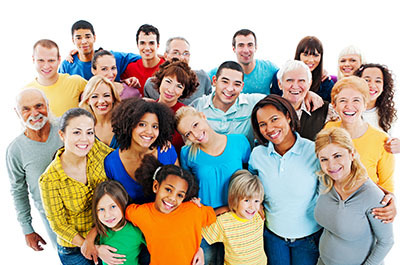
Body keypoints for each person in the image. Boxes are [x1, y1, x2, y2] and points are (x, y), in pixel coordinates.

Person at [249, 95, 322, 265]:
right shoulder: (257, 155)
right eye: (263, 124)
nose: (270, 128)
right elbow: (252, 184)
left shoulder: (313, 151)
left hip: (308, 238)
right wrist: (257, 202)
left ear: (288, 116)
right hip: (273, 237)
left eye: (275, 119)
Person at [176, 106, 251, 264]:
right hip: (207, 223)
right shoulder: (187, 153)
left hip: (237, 219)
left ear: (203, 116)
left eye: (195, 125)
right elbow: (188, 188)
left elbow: (251, 178)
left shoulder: (239, 141)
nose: (195, 134)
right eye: (188, 133)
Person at [39, 108, 113, 265]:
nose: (85, 139)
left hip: (106, 233)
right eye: (77, 133)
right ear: (62, 135)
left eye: (90, 132)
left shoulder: (96, 149)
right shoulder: (49, 180)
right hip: (74, 249)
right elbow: (58, 225)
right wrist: (91, 246)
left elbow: (120, 159)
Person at [314, 127, 394, 265]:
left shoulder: (372, 195)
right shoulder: (325, 182)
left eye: (337, 156)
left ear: (351, 154)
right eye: (324, 159)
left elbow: (386, 242)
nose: (331, 165)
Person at [126, 155, 216, 265]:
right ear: (156, 186)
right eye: (168, 189)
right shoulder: (141, 213)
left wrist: (198, 246)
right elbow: (127, 212)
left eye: (180, 195)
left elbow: (211, 215)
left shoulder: (193, 210)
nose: (172, 198)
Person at [6, 88, 63, 251]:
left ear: (48, 105)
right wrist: (27, 229)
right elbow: (18, 191)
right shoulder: (15, 150)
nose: (34, 113)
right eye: (26, 109)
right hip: (53, 222)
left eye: (39, 106)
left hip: (89, 212)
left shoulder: (67, 128)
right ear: (17, 112)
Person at [325, 76, 395, 192]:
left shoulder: (382, 140)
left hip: (367, 204)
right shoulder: (329, 129)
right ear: (334, 105)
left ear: (365, 104)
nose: (349, 106)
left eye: (356, 100)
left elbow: (387, 185)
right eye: (343, 100)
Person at [104, 97, 178, 203]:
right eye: (142, 124)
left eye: (155, 126)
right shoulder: (111, 163)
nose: (149, 131)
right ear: (129, 125)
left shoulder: (166, 151)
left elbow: (180, 187)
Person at [202, 169, 267, 265]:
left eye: (256, 201)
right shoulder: (223, 222)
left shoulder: (258, 216)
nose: (252, 207)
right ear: (234, 199)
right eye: (246, 201)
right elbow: (200, 235)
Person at [191, 61, 265, 145]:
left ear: (242, 87)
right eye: (225, 82)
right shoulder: (197, 106)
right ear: (215, 81)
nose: (230, 89)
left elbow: (279, 102)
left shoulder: (252, 102)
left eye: (237, 84)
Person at [59, 20, 141, 82]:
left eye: (87, 37)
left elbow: (142, 57)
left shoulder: (111, 58)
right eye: (78, 38)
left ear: (94, 38)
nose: (84, 41)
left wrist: (124, 82)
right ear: (73, 40)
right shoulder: (67, 65)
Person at [277, 60, 338, 140]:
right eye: (290, 80)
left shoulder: (326, 110)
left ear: (309, 84)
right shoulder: (269, 109)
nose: (295, 86)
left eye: (301, 81)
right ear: (280, 84)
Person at [26, 39, 87, 117]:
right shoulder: (27, 91)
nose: (46, 66)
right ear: (33, 59)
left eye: (51, 60)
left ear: (59, 60)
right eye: (41, 60)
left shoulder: (76, 82)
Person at [144, 37, 212, 105]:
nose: (181, 58)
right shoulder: (150, 85)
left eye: (186, 53)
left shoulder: (203, 78)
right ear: (166, 55)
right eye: (176, 52)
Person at [208, 29, 278, 94]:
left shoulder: (268, 68)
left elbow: (286, 78)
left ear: (255, 47)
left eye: (250, 45)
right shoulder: (223, 71)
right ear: (234, 49)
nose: (246, 50)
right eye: (241, 45)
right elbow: (201, 80)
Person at [92, 180, 145, 265]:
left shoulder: (136, 230)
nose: (107, 215)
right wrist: (97, 248)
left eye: (113, 206)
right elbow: (87, 249)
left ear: (123, 202)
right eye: (101, 209)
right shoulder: (100, 231)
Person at [152, 59, 199, 153]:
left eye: (179, 86)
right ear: (160, 80)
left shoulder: (186, 114)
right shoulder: (148, 109)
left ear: (183, 92)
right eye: (168, 81)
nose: (171, 90)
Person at [271, 36, 334, 102]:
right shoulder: (281, 75)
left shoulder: (326, 83)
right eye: (306, 55)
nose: (311, 60)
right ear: (299, 55)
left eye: (315, 55)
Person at [355, 63, 399, 153]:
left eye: (378, 81)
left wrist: (396, 145)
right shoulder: (347, 110)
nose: (372, 85)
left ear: (383, 87)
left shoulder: (389, 114)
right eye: (367, 80)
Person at [121, 24, 165, 95]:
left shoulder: (167, 68)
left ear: (158, 45)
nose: (147, 48)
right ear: (138, 45)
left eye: (151, 43)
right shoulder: (130, 69)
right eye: (142, 43)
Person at [79, 75, 121, 149]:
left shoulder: (124, 124)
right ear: (88, 100)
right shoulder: (82, 128)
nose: (101, 101)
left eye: (106, 95)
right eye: (95, 96)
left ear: (113, 98)